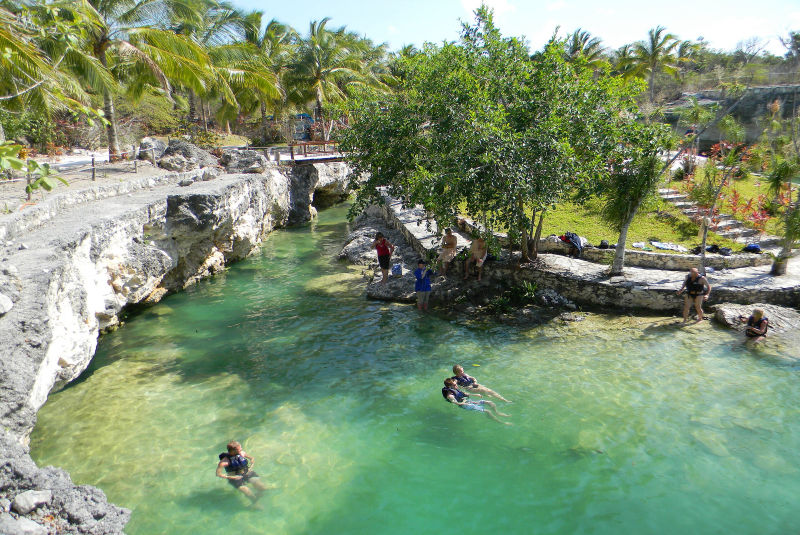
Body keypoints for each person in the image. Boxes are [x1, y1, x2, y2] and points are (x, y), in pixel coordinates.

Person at [216, 440, 272, 505]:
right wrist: (231, 477)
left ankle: (258, 494)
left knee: (263, 488)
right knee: (249, 494)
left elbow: (252, 458)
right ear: (233, 451)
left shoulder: (242, 453)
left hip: (247, 472)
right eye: (239, 449)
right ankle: (255, 503)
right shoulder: (224, 462)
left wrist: (251, 465)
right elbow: (218, 474)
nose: (241, 449)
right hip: (235, 478)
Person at [442, 378, 511, 425]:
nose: (456, 385)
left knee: (490, 402)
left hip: (468, 401)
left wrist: (476, 394)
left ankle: (497, 413)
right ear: (449, 387)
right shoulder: (450, 395)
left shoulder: (455, 388)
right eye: (454, 385)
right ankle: (501, 422)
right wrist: (463, 403)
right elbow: (455, 402)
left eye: (455, 384)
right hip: (465, 405)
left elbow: (464, 394)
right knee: (488, 411)